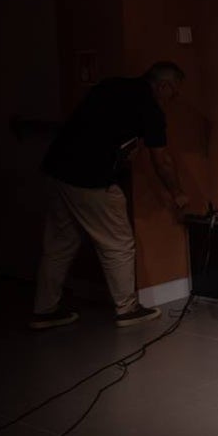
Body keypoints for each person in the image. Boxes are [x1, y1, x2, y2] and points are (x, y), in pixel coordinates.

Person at [29, 62, 190, 330]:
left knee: (59, 244)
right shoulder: (149, 108)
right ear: (163, 86)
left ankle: (44, 309)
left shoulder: (110, 85)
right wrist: (178, 194)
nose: (171, 100)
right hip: (92, 178)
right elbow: (161, 160)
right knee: (118, 243)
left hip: (58, 169)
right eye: (172, 93)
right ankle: (127, 308)